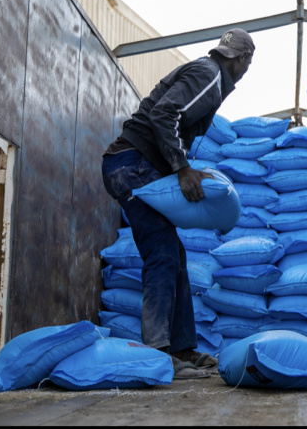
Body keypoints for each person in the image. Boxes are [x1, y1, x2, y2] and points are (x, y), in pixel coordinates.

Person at [101, 28, 255, 379]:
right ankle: (157, 351)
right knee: (162, 252)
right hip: (130, 164)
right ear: (244, 60)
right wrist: (182, 169)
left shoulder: (207, 73)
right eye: (247, 62)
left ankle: (182, 348)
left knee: (174, 253)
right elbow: (164, 115)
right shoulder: (209, 75)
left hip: (133, 165)